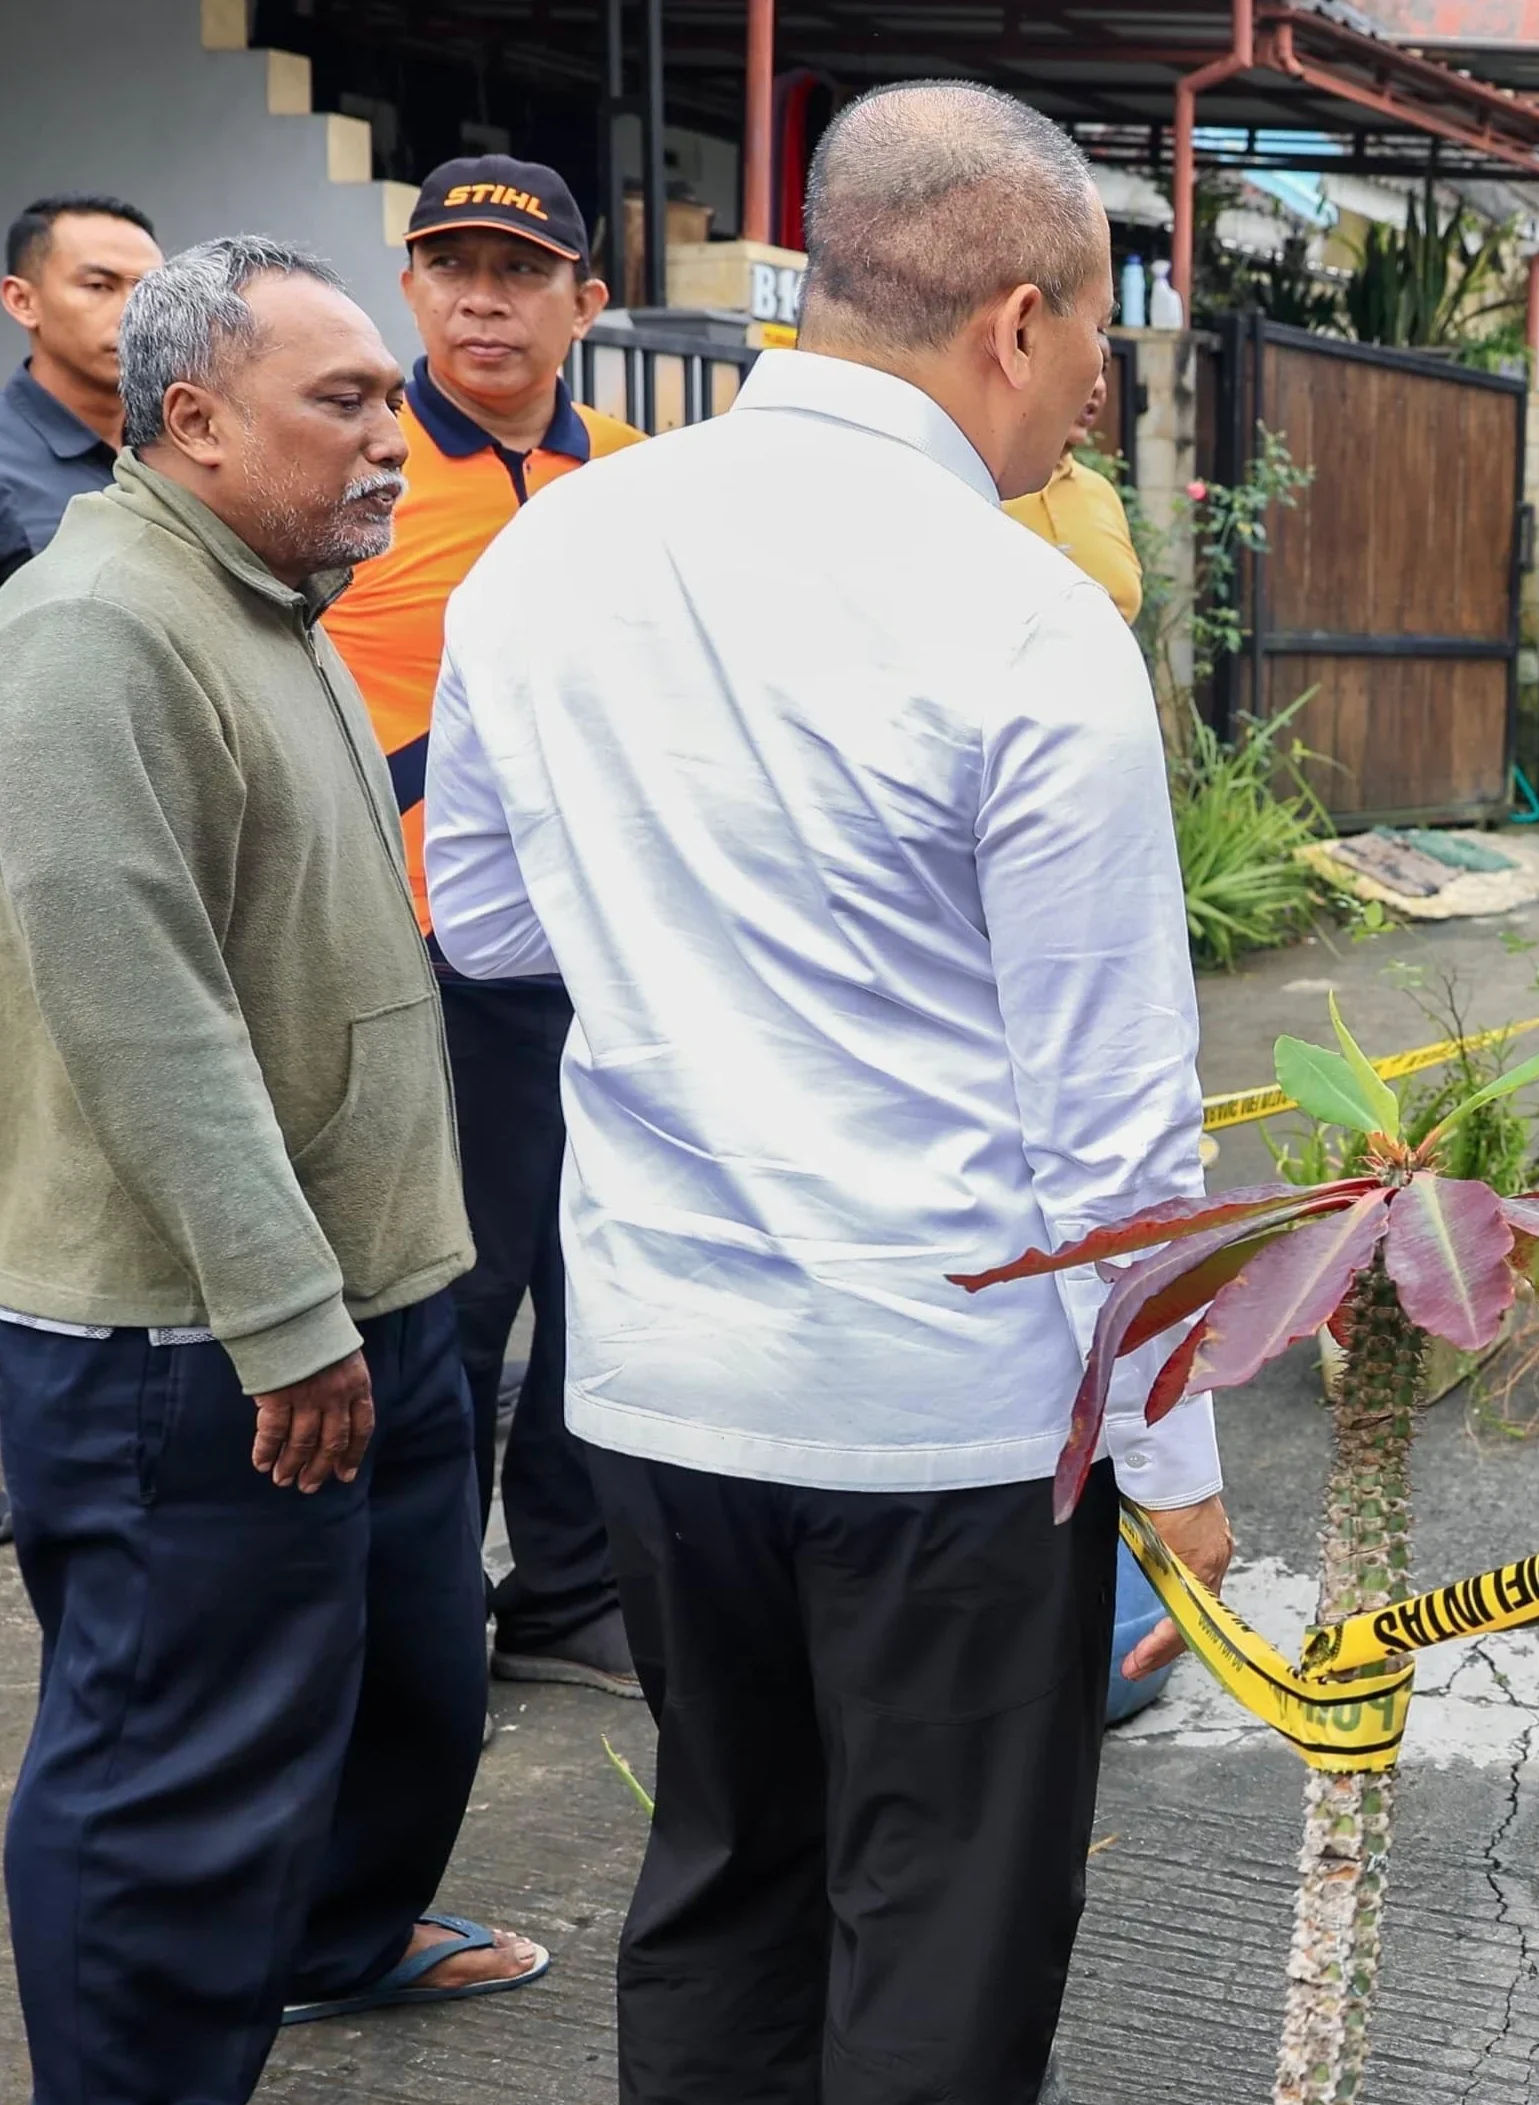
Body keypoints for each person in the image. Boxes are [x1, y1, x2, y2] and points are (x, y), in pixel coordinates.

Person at [426, 82, 1234, 2103]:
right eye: (1094, 346)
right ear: (1018, 317)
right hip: (942, 1416)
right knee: (941, 1921)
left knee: (722, 1873)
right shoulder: (1029, 622)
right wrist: (1177, 1453)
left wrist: (688, 922)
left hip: (662, 1385)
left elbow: (487, 925)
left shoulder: (554, 548)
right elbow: (1112, 1119)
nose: (1084, 400)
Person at [0, 234, 550, 2105]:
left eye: (390, 399)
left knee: (402, 1686)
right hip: (200, 1346)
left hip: (361, 1304)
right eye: (347, 402)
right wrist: (285, 1315)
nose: (393, 436)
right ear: (193, 418)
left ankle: (333, 1941)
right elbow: (136, 1010)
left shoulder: (269, 600)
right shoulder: (98, 635)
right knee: (174, 1776)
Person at [324, 155, 646, 1700]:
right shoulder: (351, 459)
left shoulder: (645, 477)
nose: (479, 299)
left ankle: (571, 1587)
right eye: (449, 267)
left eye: (519, 275)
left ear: (588, 301)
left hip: (616, 950)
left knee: (600, 1270)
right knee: (451, 1286)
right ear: (410, 288)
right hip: (422, 954)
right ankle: (428, 1599)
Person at [0, 194, 161, 586]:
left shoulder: (188, 445)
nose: (135, 313)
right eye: (98, 286)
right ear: (22, 301)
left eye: (150, 289)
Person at [1002, 354, 1141, 621]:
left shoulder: (1100, 491)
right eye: (1086, 365)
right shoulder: (987, 487)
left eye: (1105, 370)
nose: (1098, 386)